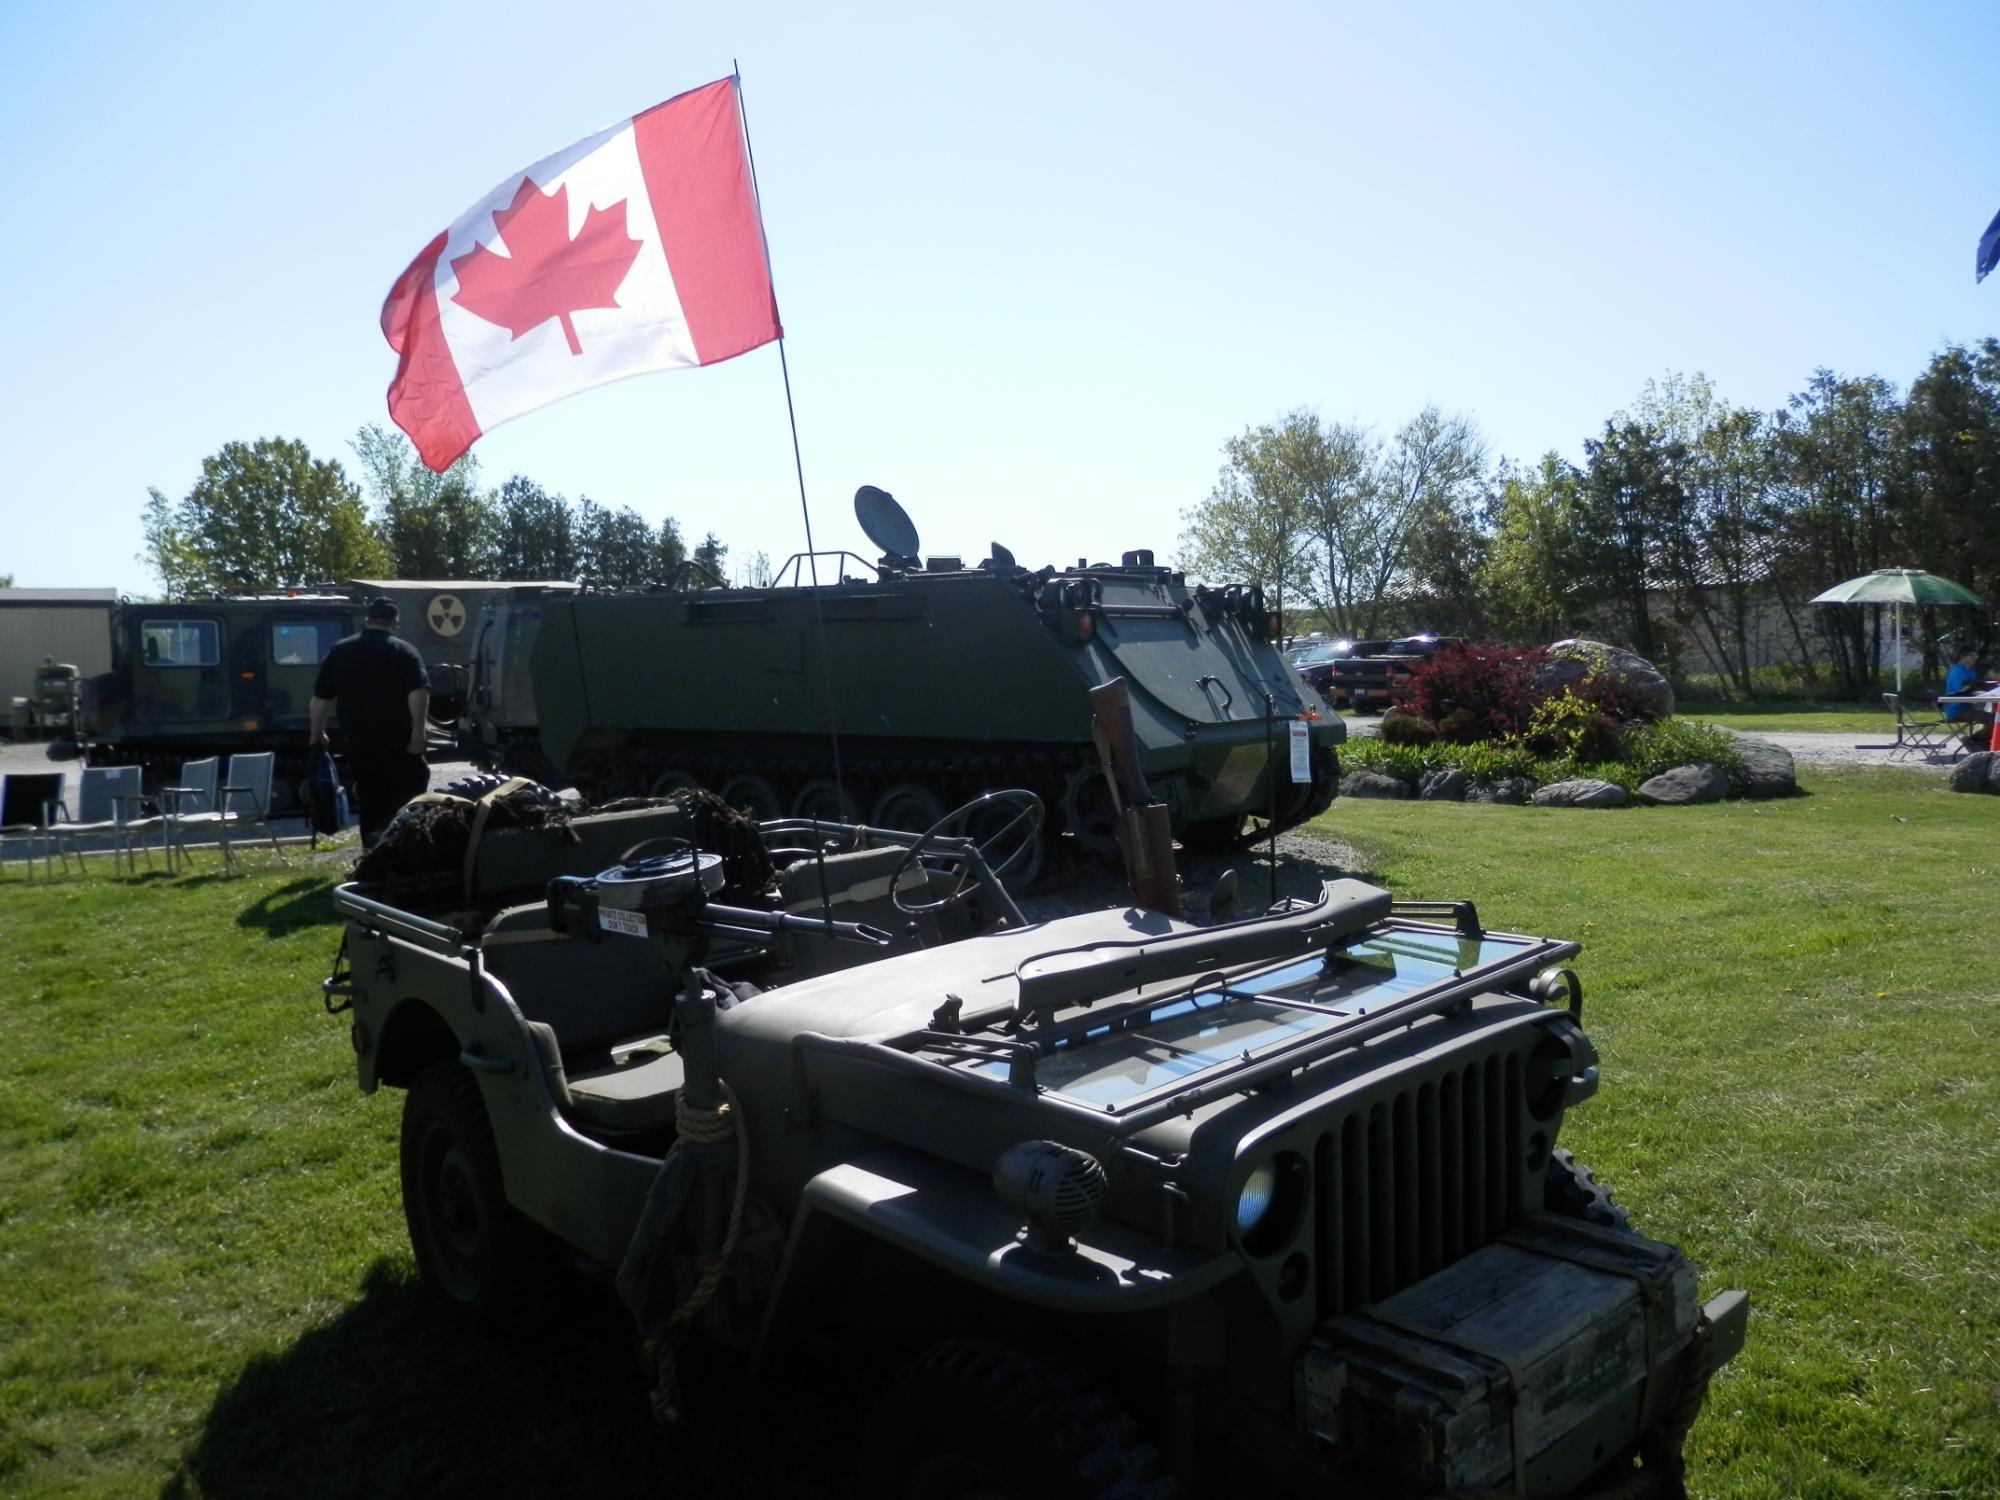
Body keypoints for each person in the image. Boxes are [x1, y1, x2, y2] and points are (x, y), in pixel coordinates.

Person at [310, 598, 430, 847]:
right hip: (398, 742)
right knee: (412, 787)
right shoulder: (404, 651)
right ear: (395, 623)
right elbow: (418, 692)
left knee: (368, 796)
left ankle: (371, 851)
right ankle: (397, 841)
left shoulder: (340, 651)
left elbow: (321, 698)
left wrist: (317, 732)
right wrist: (418, 732)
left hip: (357, 742)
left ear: (368, 620)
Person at [1941, 644, 1994, 741]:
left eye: (1976, 655)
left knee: (1995, 717)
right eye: (1972, 655)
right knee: (1994, 719)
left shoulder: (1969, 672)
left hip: (1968, 708)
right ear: (1962, 656)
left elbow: (1975, 686)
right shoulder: (1956, 671)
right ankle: (1975, 741)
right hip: (1957, 710)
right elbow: (1962, 691)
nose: (1975, 658)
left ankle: (1979, 741)